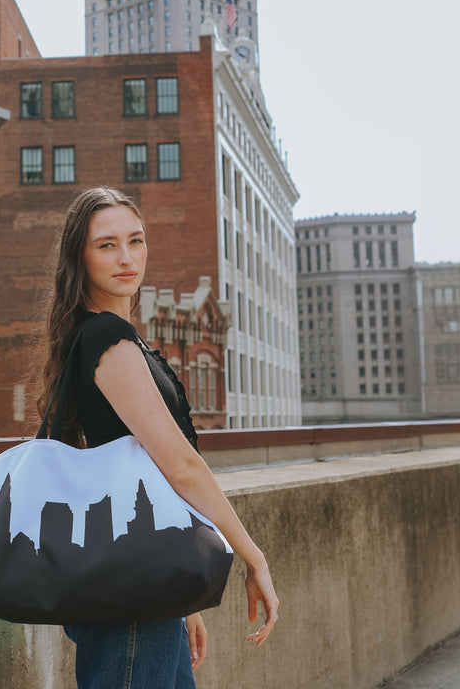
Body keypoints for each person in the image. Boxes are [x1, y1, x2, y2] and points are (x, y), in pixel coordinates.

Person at [36, 186, 279, 688]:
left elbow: (144, 472)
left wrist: (182, 595)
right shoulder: (107, 339)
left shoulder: (114, 335)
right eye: (106, 245)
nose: (126, 257)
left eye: (136, 240)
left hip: (147, 579)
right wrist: (253, 558)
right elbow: (180, 466)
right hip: (131, 590)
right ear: (79, 256)